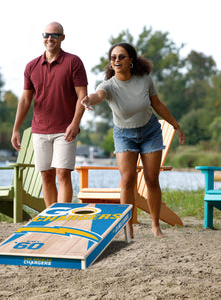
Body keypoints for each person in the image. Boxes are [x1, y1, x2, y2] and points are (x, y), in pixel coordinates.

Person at [81, 43, 185, 238]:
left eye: (121, 57)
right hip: (124, 135)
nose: (117, 60)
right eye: (113, 58)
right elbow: (98, 96)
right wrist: (88, 100)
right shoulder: (108, 85)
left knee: (151, 179)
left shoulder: (144, 80)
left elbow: (157, 104)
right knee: (127, 180)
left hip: (150, 132)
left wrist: (175, 125)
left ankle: (155, 226)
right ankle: (128, 227)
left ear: (130, 60)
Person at [11, 22, 88, 208]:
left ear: (62, 37)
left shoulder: (73, 62)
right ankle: (52, 219)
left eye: (55, 35)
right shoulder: (32, 66)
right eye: (46, 34)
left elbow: (82, 96)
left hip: (65, 129)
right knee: (46, 175)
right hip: (40, 130)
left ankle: (63, 219)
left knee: (62, 173)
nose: (50, 38)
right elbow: (25, 100)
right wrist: (15, 130)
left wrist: (75, 123)